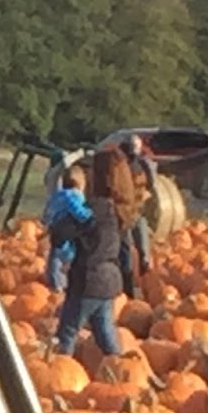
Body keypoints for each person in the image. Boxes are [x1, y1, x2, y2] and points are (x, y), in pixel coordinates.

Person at [51, 149, 133, 358]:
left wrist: (59, 217)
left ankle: (59, 370)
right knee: (105, 335)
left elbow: (60, 234)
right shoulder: (121, 209)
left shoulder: (94, 209)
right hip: (109, 280)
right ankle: (118, 369)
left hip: (87, 279)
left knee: (66, 335)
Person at [42, 166, 91, 292]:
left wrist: (48, 222)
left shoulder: (57, 196)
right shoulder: (73, 196)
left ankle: (54, 283)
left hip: (56, 232)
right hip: (69, 233)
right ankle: (62, 285)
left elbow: (47, 214)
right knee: (69, 259)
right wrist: (90, 215)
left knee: (55, 257)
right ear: (80, 184)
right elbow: (79, 213)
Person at [121, 133, 158, 278]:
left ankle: (144, 276)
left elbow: (151, 184)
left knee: (142, 250)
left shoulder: (143, 164)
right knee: (128, 249)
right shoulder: (120, 165)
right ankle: (130, 281)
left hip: (136, 212)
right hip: (124, 213)